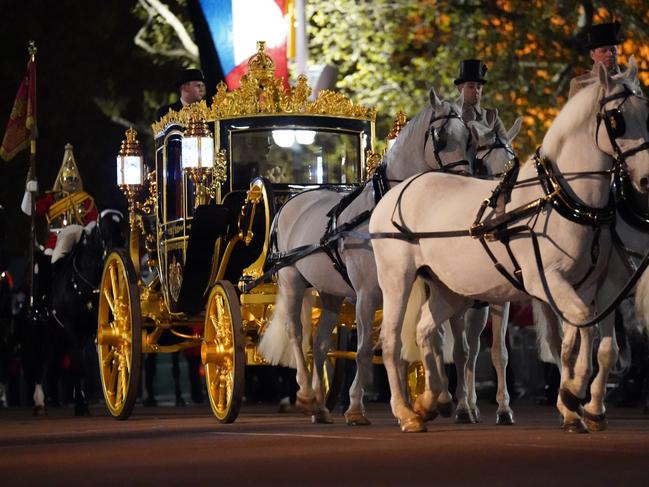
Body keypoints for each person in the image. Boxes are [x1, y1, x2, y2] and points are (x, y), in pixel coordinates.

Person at [454, 59, 507, 175]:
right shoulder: (451, 117)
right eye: (471, 87)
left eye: (479, 87)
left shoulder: (491, 116)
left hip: (488, 176)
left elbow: (505, 147)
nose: (476, 91)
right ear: (460, 88)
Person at [568, 21, 623, 99]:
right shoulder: (580, 84)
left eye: (613, 50)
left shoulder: (626, 81)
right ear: (592, 55)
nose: (610, 54)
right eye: (604, 51)